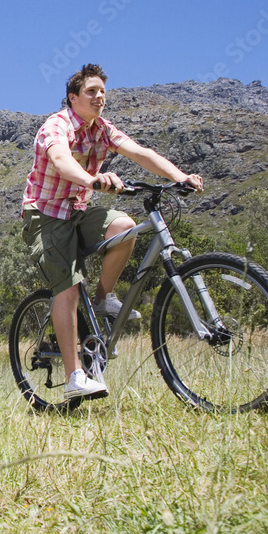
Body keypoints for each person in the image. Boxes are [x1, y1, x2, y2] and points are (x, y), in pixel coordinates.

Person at [21, 63, 202, 400]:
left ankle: (103, 299)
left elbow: (140, 153)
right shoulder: (56, 125)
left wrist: (181, 177)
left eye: (103, 91)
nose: (99, 97)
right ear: (73, 98)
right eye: (91, 91)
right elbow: (61, 160)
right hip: (45, 214)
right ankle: (75, 376)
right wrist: (92, 179)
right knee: (69, 289)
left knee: (125, 226)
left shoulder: (103, 129)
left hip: (77, 210)